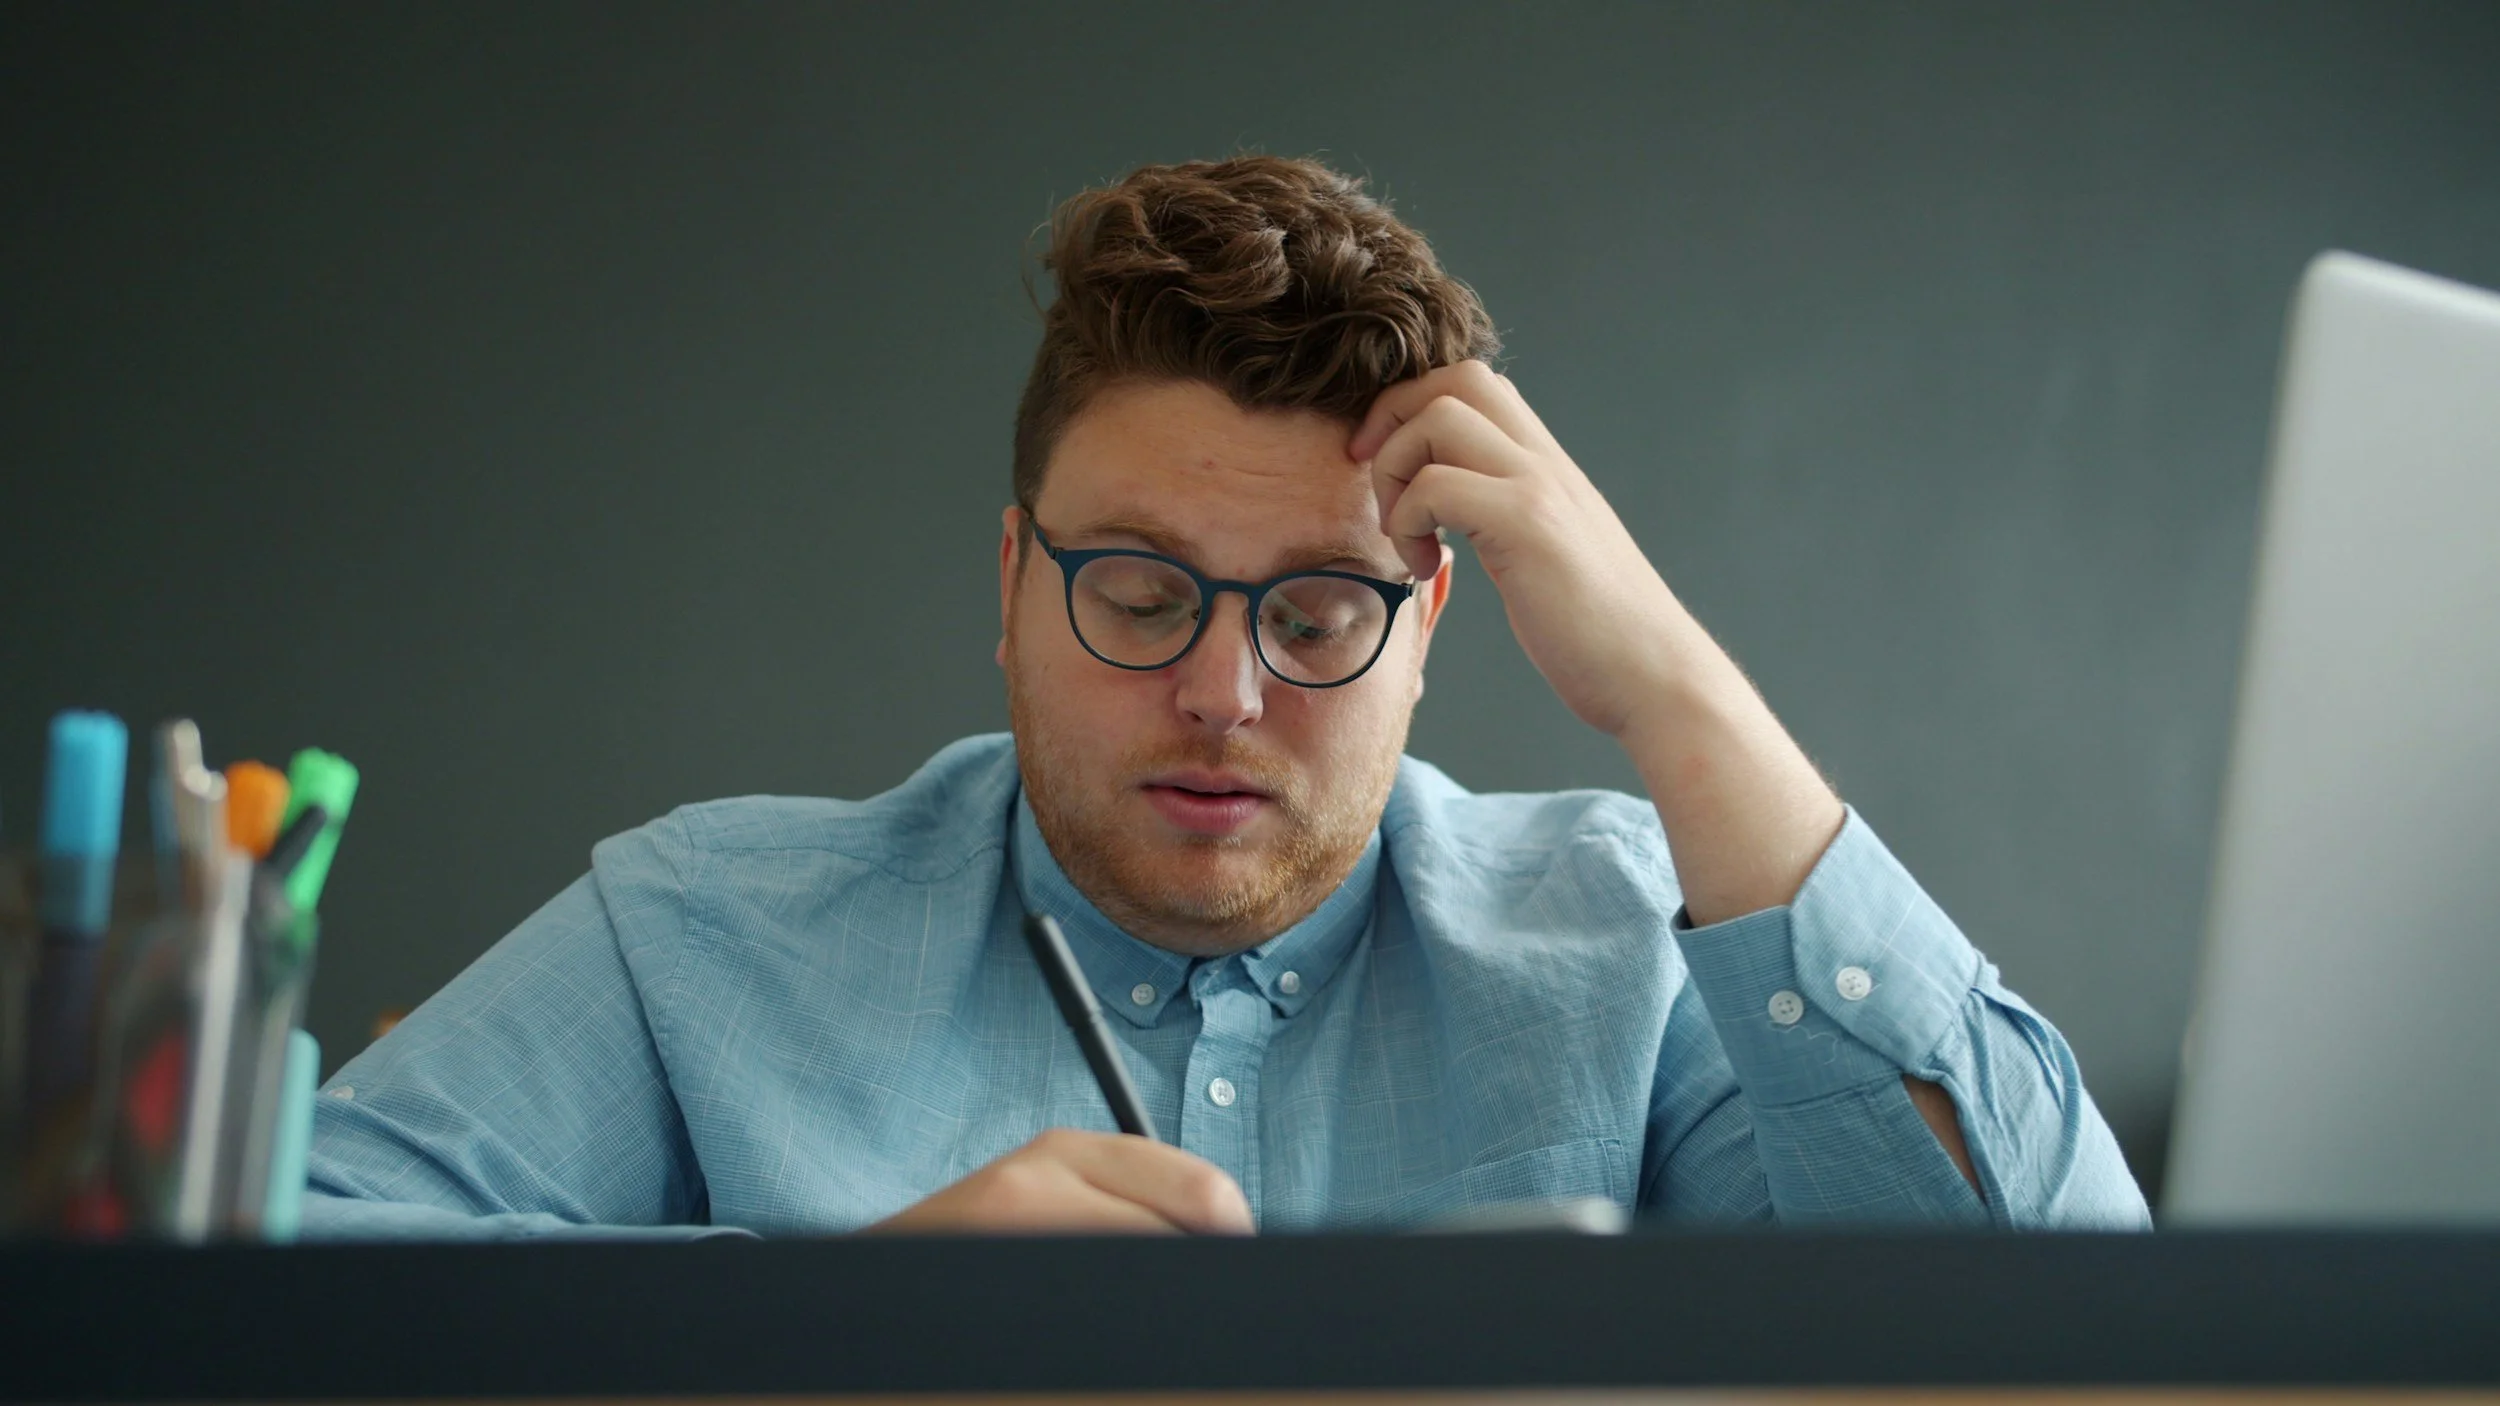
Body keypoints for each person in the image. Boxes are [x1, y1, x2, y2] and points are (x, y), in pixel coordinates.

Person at [304, 155, 2149, 1239]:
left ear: (1432, 623)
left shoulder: (1629, 950)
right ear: (1013, 587)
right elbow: (264, 1284)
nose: (1219, 690)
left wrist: (1679, 694)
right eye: (1134, 590)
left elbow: (2064, 1326)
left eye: (1325, 614)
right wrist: (842, 1332)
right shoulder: (701, 935)